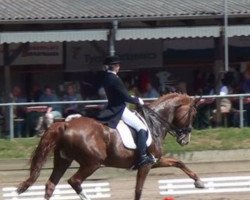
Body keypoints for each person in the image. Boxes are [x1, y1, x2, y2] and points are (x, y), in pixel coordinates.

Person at [97, 55, 155, 168]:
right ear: (114, 66)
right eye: (117, 65)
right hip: (120, 109)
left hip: (112, 106)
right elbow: (124, 97)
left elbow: (119, 94)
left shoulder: (106, 77)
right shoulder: (114, 78)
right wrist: (137, 100)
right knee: (141, 128)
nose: (119, 66)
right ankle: (142, 157)